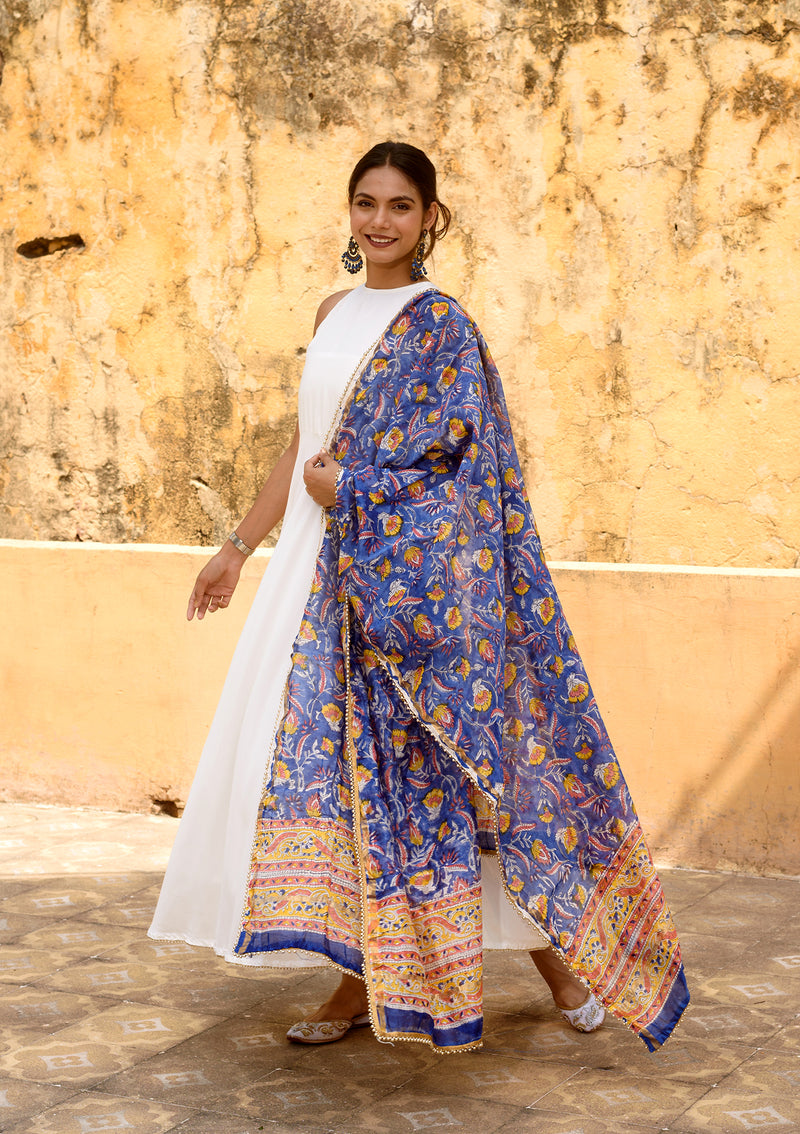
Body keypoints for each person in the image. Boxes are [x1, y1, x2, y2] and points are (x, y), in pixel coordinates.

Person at [150, 141, 688, 1053]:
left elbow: (466, 479)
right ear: (349, 211)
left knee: (454, 777)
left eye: (401, 205)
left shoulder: (441, 327)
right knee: (357, 789)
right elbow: (306, 444)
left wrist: (352, 493)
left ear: (430, 217)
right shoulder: (332, 313)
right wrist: (238, 547)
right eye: (366, 203)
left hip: (415, 593)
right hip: (315, 588)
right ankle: (357, 984)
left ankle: (557, 957)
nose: (381, 221)